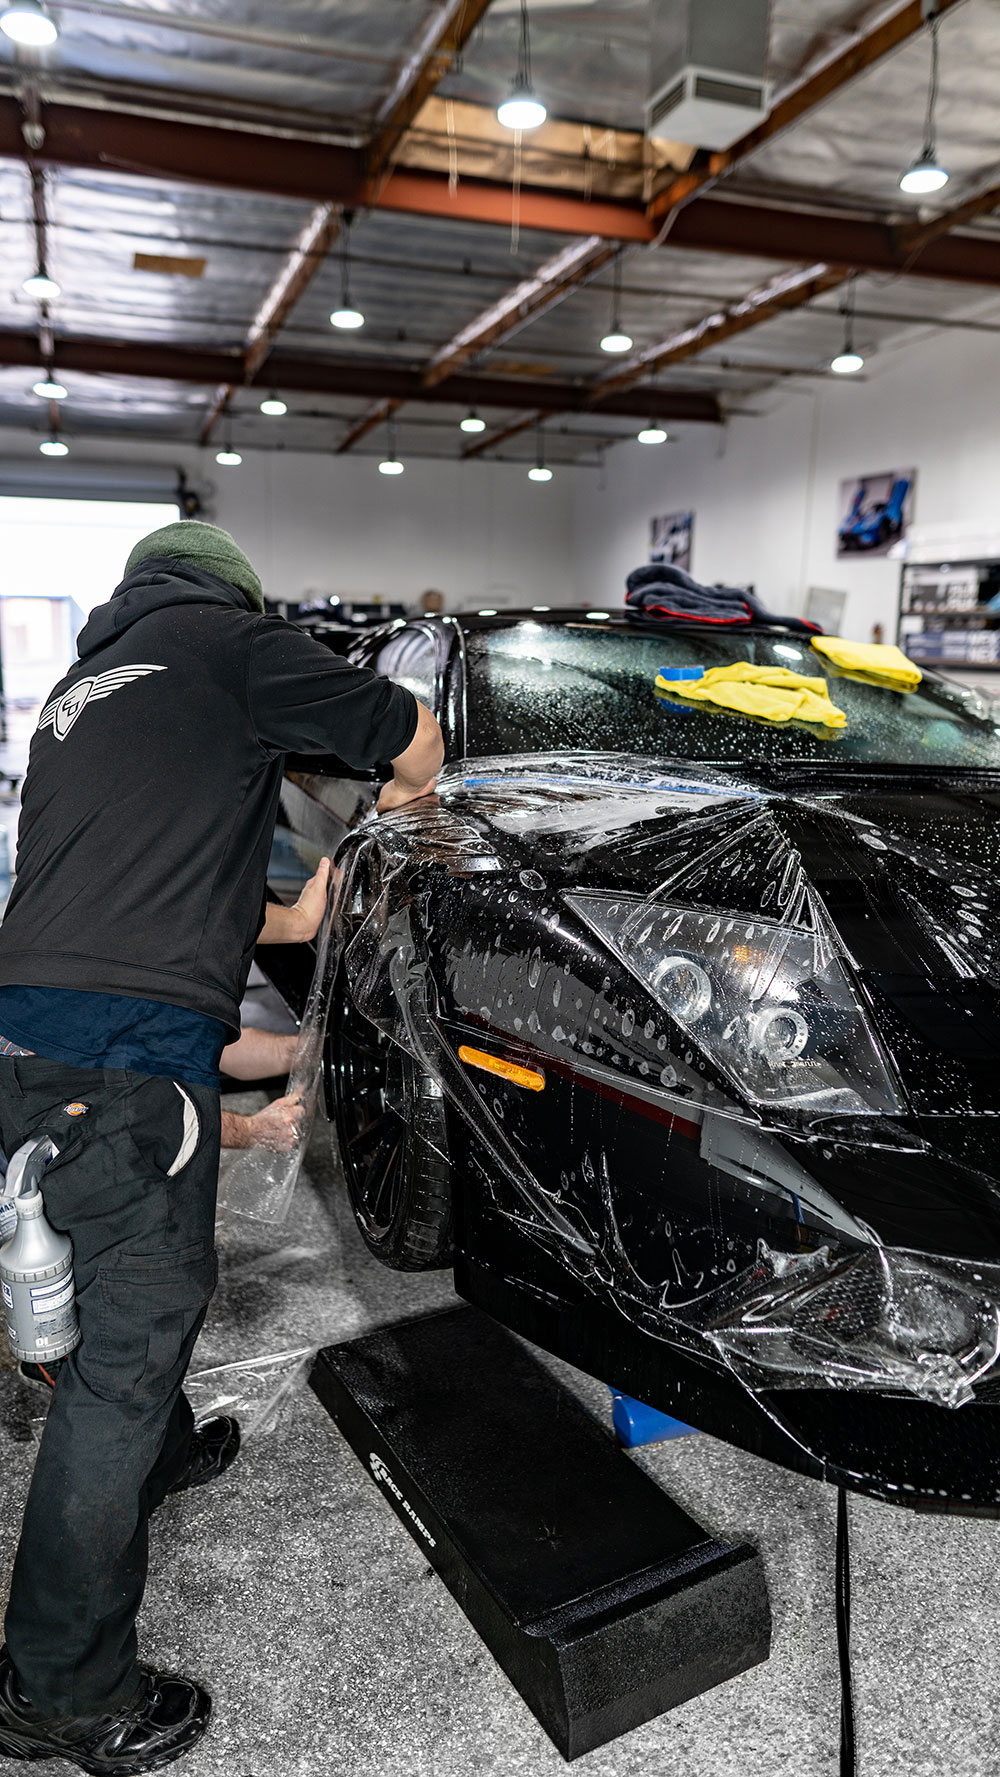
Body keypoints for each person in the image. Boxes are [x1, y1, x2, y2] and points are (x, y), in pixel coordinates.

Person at [0, 520, 443, 1774]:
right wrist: (408, 800)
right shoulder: (233, 645)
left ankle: (167, 1443)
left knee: (122, 1279)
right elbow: (416, 737)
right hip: (117, 1060)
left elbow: (204, 898)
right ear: (232, 593)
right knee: (119, 1362)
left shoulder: (82, 693)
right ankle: (63, 1691)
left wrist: (319, 898)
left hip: (27, 1039)